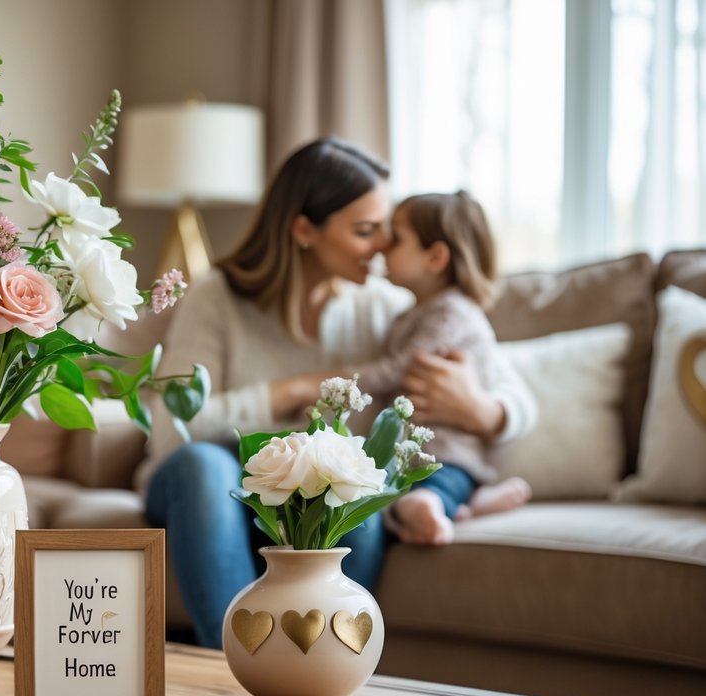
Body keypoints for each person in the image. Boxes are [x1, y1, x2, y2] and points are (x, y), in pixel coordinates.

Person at [142, 137, 537, 649]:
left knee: (355, 500)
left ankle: (324, 675)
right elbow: (170, 427)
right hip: (214, 482)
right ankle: (229, 675)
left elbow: (518, 395)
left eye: (387, 231)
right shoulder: (217, 298)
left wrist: (482, 410)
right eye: (365, 230)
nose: (381, 247)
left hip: (309, 494)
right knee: (202, 467)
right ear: (305, 229)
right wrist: (289, 392)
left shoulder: (386, 307)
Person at [344, 191, 532, 543]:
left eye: (396, 238)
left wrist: (341, 381)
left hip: (448, 452)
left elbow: (399, 369)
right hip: (410, 453)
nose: (383, 245)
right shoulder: (410, 315)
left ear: (436, 257)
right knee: (381, 487)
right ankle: (468, 504)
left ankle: (430, 505)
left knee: (435, 484)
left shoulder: (451, 312)